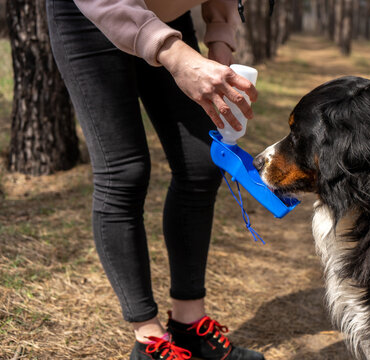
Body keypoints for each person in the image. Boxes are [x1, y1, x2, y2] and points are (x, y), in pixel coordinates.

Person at [45, 0, 264, 359]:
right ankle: (149, 341)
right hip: (94, 15)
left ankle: (189, 325)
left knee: (200, 164)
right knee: (124, 173)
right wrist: (175, 56)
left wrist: (220, 43)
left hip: (166, 20)